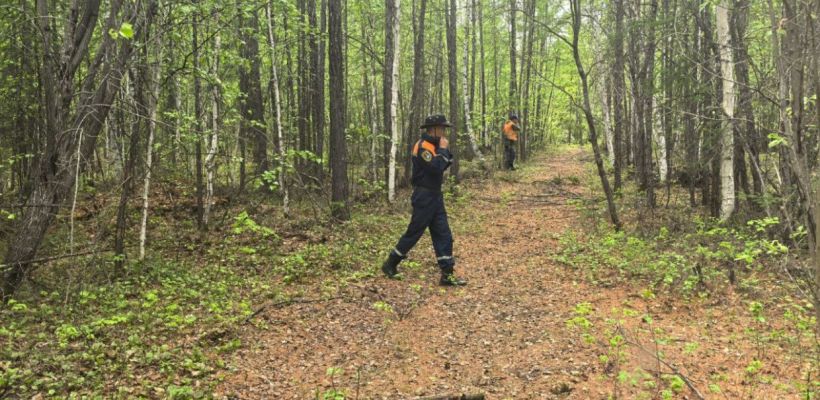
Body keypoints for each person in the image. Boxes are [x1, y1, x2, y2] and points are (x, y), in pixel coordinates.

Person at [381, 114, 467, 286]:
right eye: (441, 128)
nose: (443, 132)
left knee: (444, 234)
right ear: (432, 129)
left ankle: (447, 274)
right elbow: (436, 168)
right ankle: (390, 263)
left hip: (436, 195)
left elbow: (446, 162)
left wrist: (443, 150)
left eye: (444, 129)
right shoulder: (423, 147)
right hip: (424, 196)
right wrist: (442, 150)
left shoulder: (435, 145)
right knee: (414, 232)